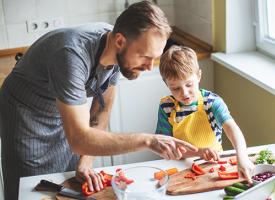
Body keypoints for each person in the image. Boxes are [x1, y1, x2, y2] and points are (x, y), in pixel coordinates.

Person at [0, 1, 198, 199]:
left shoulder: (117, 51)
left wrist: (85, 161)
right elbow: (78, 139)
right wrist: (148, 140)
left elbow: (99, 114)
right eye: (145, 57)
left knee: (65, 187)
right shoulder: (71, 55)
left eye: (154, 58)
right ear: (119, 41)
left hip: (62, 117)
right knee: (32, 191)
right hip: (26, 119)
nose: (149, 67)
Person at [155, 45, 255, 183]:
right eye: (175, 88)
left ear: (199, 76)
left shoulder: (212, 103)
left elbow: (232, 128)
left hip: (214, 166)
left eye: (189, 84)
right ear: (167, 85)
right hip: (180, 167)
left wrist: (242, 156)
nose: (184, 93)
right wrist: (199, 152)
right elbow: (165, 146)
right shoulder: (166, 107)